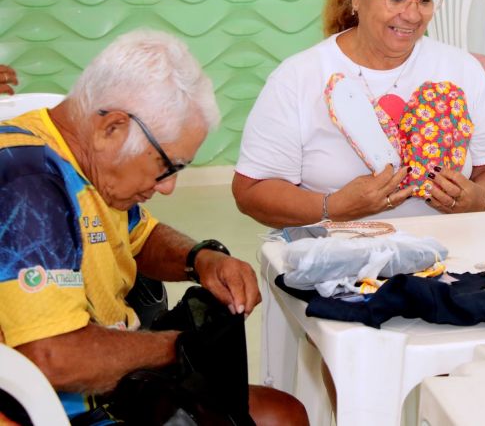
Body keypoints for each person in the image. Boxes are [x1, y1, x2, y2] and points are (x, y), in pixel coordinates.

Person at [0, 30, 309, 425]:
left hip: (114, 390)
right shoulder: (28, 182)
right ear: (112, 128)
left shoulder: (89, 163)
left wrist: (201, 259)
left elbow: (138, 238)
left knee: (281, 414)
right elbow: (51, 357)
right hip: (60, 410)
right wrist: (179, 347)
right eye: (167, 167)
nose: (169, 187)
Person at [233, 0, 485, 228]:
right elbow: (250, 192)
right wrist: (332, 207)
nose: (412, 15)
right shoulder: (298, 78)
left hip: (451, 259)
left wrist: (479, 199)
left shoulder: (462, 70)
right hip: (336, 261)